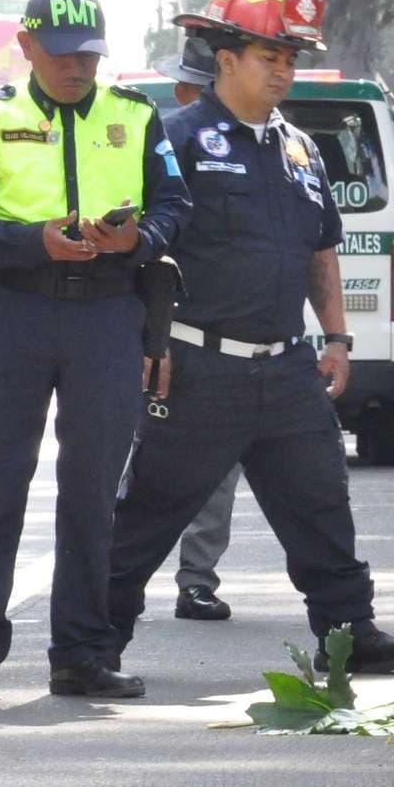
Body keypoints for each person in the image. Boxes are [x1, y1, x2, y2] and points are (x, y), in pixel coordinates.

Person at [104, 0, 394, 679]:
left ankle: (349, 631)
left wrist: (337, 337)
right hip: (196, 369)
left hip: (285, 367)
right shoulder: (175, 140)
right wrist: (143, 343)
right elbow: (138, 253)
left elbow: (320, 250)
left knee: (319, 504)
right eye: (268, 56)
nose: (283, 70)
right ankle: (92, 646)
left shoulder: (299, 150)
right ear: (225, 60)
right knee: (148, 512)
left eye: (289, 58)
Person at [0, 0, 191, 701]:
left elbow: (176, 205)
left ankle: (81, 653)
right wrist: (33, 242)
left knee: (92, 492)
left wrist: (141, 238)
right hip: (11, 313)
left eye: (88, 56)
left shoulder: (136, 116)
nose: (76, 68)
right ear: (26, 47)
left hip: (107, 316)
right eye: (60, 54)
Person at [153, 31, 240, 623]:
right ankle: (113, 582)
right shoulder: (161, 141)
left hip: (229, 340)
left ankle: (197, 581)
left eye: (187, 84)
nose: (180, 94)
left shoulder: (260, 147)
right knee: (140, 463)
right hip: (166, 333)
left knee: (219, 467)